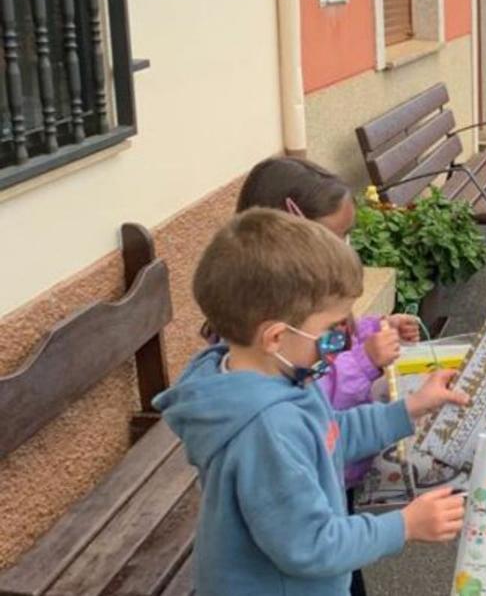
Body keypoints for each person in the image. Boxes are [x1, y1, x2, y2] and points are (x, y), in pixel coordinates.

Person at [154, 209, 470, 596]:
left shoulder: (276, 375)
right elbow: (312, 545)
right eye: (331, 330)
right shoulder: (266, 429)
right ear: (274, 338)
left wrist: (410, 408)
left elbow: (328, 433)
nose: (344, 340)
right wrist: (403, 525)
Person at [234, 156, 422, 596]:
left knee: (343, 570)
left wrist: (378, 330)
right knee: (334, 562)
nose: (346, 249)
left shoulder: (301, 305)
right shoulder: (268, 388)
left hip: (332, 478)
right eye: (337, 237)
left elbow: (329, 370)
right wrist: (403, 526)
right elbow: (318, 401)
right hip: (311, 512)